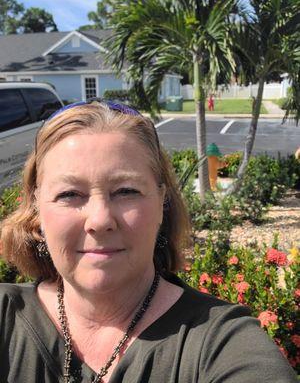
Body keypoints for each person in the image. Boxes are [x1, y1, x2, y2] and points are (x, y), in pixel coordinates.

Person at [0, 99, 297, 383]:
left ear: (161, 202)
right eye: (69, 194)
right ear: (36, 208)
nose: (100, 220)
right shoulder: (6, 319)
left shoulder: (219, 343)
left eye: (126, 191)